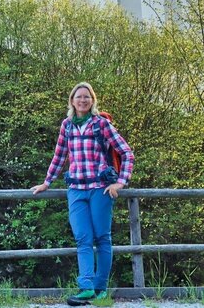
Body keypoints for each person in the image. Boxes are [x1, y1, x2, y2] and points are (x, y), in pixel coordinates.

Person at [31, 82, 134, 305]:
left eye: (87, 97)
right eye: (79, 97)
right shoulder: (66, 126)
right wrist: (47, 182)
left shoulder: (101, 124)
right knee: (83, 238)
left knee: (102, 238)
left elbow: (126, 153)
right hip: (76, 190)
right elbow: (59, 156)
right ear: (72, 101)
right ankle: (86, 288)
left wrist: (120, 183)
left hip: (100, 189)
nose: (83, 100)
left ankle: (101, 288)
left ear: (92, 100)